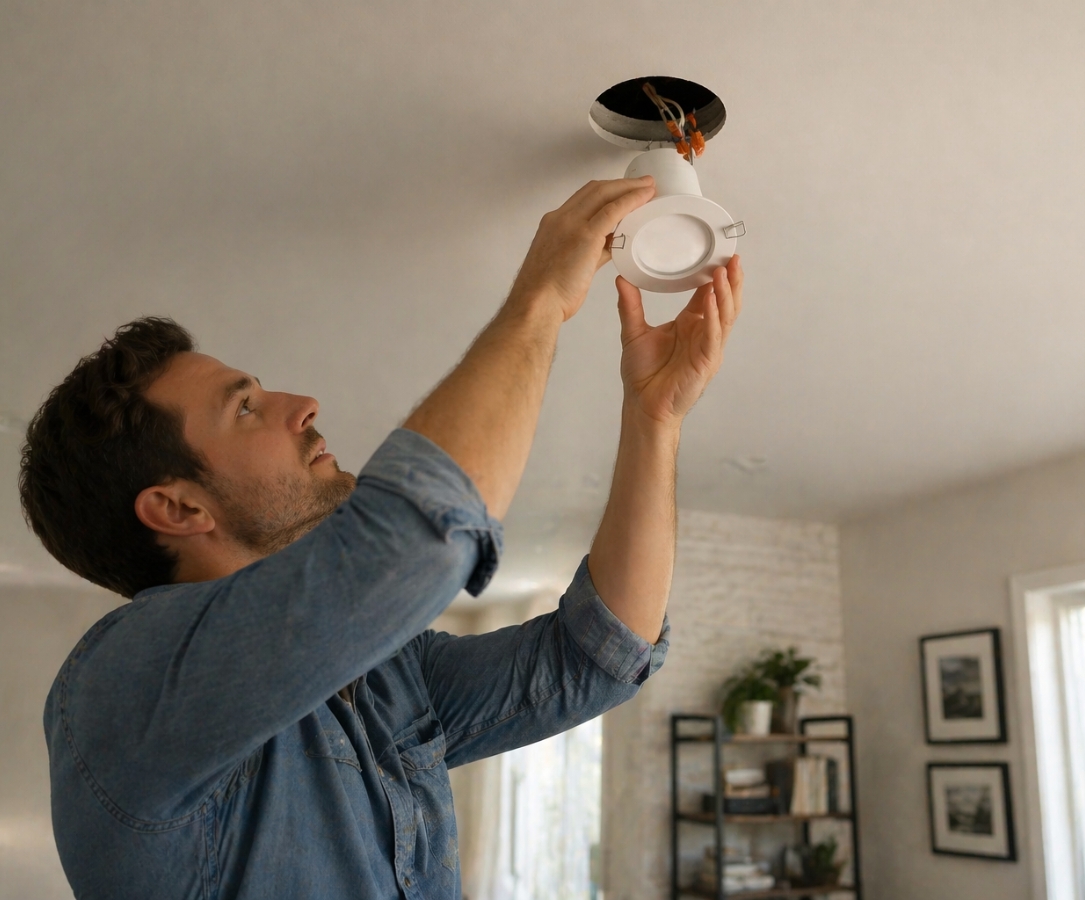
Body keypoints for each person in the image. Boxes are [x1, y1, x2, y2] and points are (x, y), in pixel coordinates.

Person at [19, 176, 743, 900]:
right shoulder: (122, 687)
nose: (302, 406)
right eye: (244, 409)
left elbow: (594, 660)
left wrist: (655, 421)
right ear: (177, 509)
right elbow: (417, 537)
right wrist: (541, 300)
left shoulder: (387, 673)